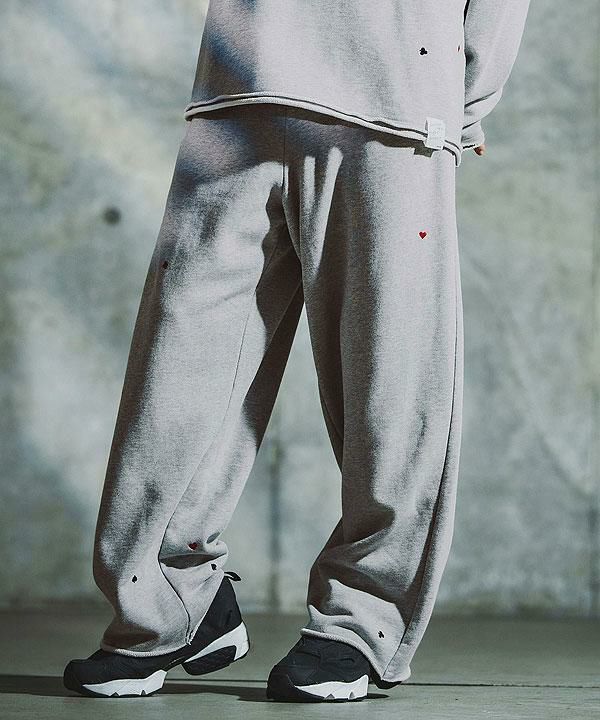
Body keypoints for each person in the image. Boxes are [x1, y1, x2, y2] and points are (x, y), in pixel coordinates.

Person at [63, 0, 531, 702]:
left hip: (395, 99)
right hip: (240, 85)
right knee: (178, 368)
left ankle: (361, 621)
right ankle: (166, 600)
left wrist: (459, 97)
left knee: (389, 381)